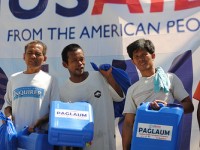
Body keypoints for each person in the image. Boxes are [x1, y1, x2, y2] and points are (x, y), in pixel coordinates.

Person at [122, 38, 194, 150]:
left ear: (153, 56)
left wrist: (167, 108)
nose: (140, 59)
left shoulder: (170, 78)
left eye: (144, 54)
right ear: (133, 62)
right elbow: (128, 123)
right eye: (136, 56)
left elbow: (189, 106)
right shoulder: (132, 89)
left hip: (166, 140)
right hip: (142, 142)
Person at [59, 43, 124, 150]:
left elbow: (119, 97)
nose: (80, 63)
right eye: (74, 60)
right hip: (85, 146)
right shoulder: (63, 91)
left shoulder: (99, 76)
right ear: (65, 64)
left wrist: (109, 77)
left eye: (81, 59)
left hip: (107, 144)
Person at [2, 40, 60, 133]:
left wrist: (39, 123)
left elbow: (55, 110)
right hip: (15, 137)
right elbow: (8, 105)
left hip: (37, 138)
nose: (33, 56)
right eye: (30, 53)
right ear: (24, 56)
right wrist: (8, 117)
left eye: (38, 54)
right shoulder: (14, 78)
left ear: (44, 58)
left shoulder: (51, 80)